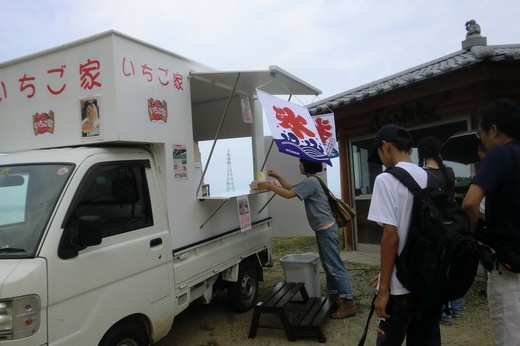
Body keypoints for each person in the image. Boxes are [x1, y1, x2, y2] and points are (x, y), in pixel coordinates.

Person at [367, 124, 441, 345]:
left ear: (385, 146)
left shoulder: (386, 179)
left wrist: (383, 290)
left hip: (401, 287)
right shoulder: (432, 178)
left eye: (379, 154)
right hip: (429, 281)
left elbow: (391, 236)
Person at [257, 158, 357, 319]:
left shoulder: (311, 181)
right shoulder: (313, 180)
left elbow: (289, 194)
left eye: (301, 163)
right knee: (329, 264)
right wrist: (277, 177)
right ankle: (335, 297)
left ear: (307, 166)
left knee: (334, 266)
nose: (299, 165)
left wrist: (269, 187)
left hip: (326, 229)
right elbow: (292, 188)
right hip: (325, 228)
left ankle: (348, 302)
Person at [462, 98, 520, 346]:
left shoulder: (499, 154)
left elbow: (470, 203)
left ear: (494, 130)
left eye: (481, 133)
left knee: (509, 334)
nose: (481, 139)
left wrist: (470, 234)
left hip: (507, 262)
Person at [417, 136, 462, 325]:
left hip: (434, 227)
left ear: (423, 153)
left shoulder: (422, 174)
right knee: (453, 266)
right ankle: (456, 308)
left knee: (438, 268)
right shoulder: (449, 172)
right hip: (453, 224)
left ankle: (444, 313)